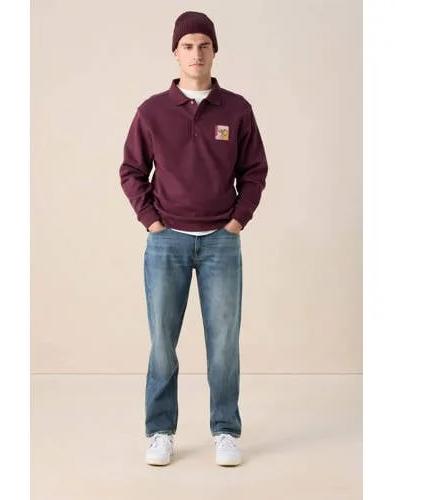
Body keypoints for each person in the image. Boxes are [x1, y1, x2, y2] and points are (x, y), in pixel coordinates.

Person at [119, 11, 268, 467]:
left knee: (224, 344)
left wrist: (237, 221)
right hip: (167, 242)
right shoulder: (152, 111)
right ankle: (160, 431)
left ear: (214, 51)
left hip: (222, 242)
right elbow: (131, 171)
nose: (196, 53)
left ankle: (225, 430)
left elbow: (255, 170)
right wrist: (151, 221)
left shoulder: (237, 110)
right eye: (188, 46)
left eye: (204, 45)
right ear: (175, 52)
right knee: (163, 343)